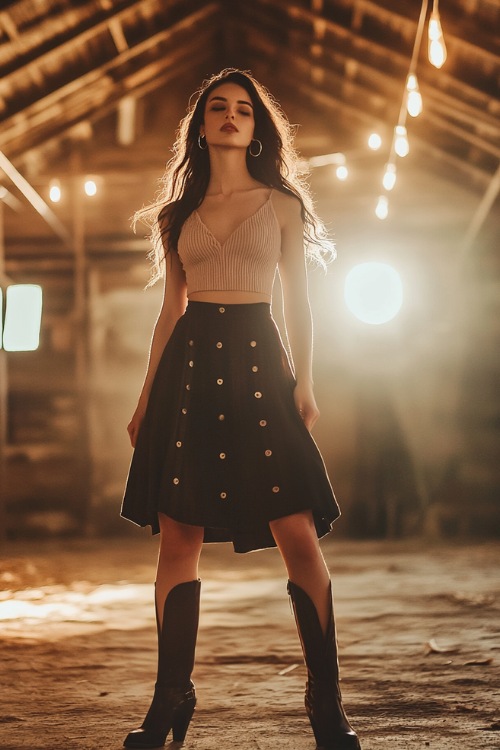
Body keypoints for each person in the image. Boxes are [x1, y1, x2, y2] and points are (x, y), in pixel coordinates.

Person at [121, 68, 360, 750]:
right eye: (218, 109)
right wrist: (145, 400)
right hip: (189, 373)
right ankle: (171, 699)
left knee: (297, 532)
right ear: (201, 126)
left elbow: (299, 304)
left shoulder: (282, 203)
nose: (231, 117)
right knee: (179, 538)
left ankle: (326, 702)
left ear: (258, 129)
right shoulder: (176, 216)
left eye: (244, 111)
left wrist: (305, 382)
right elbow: (169, 314)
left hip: (260, 362)